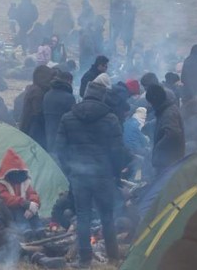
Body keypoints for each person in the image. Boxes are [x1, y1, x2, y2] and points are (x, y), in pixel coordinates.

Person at [55, 81, 126, 268]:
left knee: (83, 216)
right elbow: (118, 151)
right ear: (102, 97)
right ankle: (113, 258)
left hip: (79, 176)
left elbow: (59, 150)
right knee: (107, 216)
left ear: (85, 94)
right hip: (103, 175)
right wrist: (116, 174)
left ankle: (85, 260)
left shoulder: (68, 118)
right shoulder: (110, 119)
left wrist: (70, 170)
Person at [0, 149, 42, 235]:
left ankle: (39, 229)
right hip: (9, 212)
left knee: (33, 208)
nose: (16, 174)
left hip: (22, 207)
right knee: (18, 210)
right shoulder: (0, 183)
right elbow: (5, 198)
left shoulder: (23, 180)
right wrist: (23, 202)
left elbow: (32, 194)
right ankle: (26, 231)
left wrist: (32, 205)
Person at [146, 84, 185, 175]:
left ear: (155, 101)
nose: (150, 105)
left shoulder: (168, 113)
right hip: (169, 160)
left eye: (151, 102)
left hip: (170, 161)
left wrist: (158, 148)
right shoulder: (166, 108)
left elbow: (173, 134)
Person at [20, 65, 54, 149]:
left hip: (29, 128)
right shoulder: (37, 92)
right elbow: (38, 112)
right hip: (33, 130)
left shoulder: (35, 89)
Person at [42, 71, 76, 154]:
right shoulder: (69, 97)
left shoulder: (47, 94)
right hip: (63, 134)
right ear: (69, 81)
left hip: (48, 131)